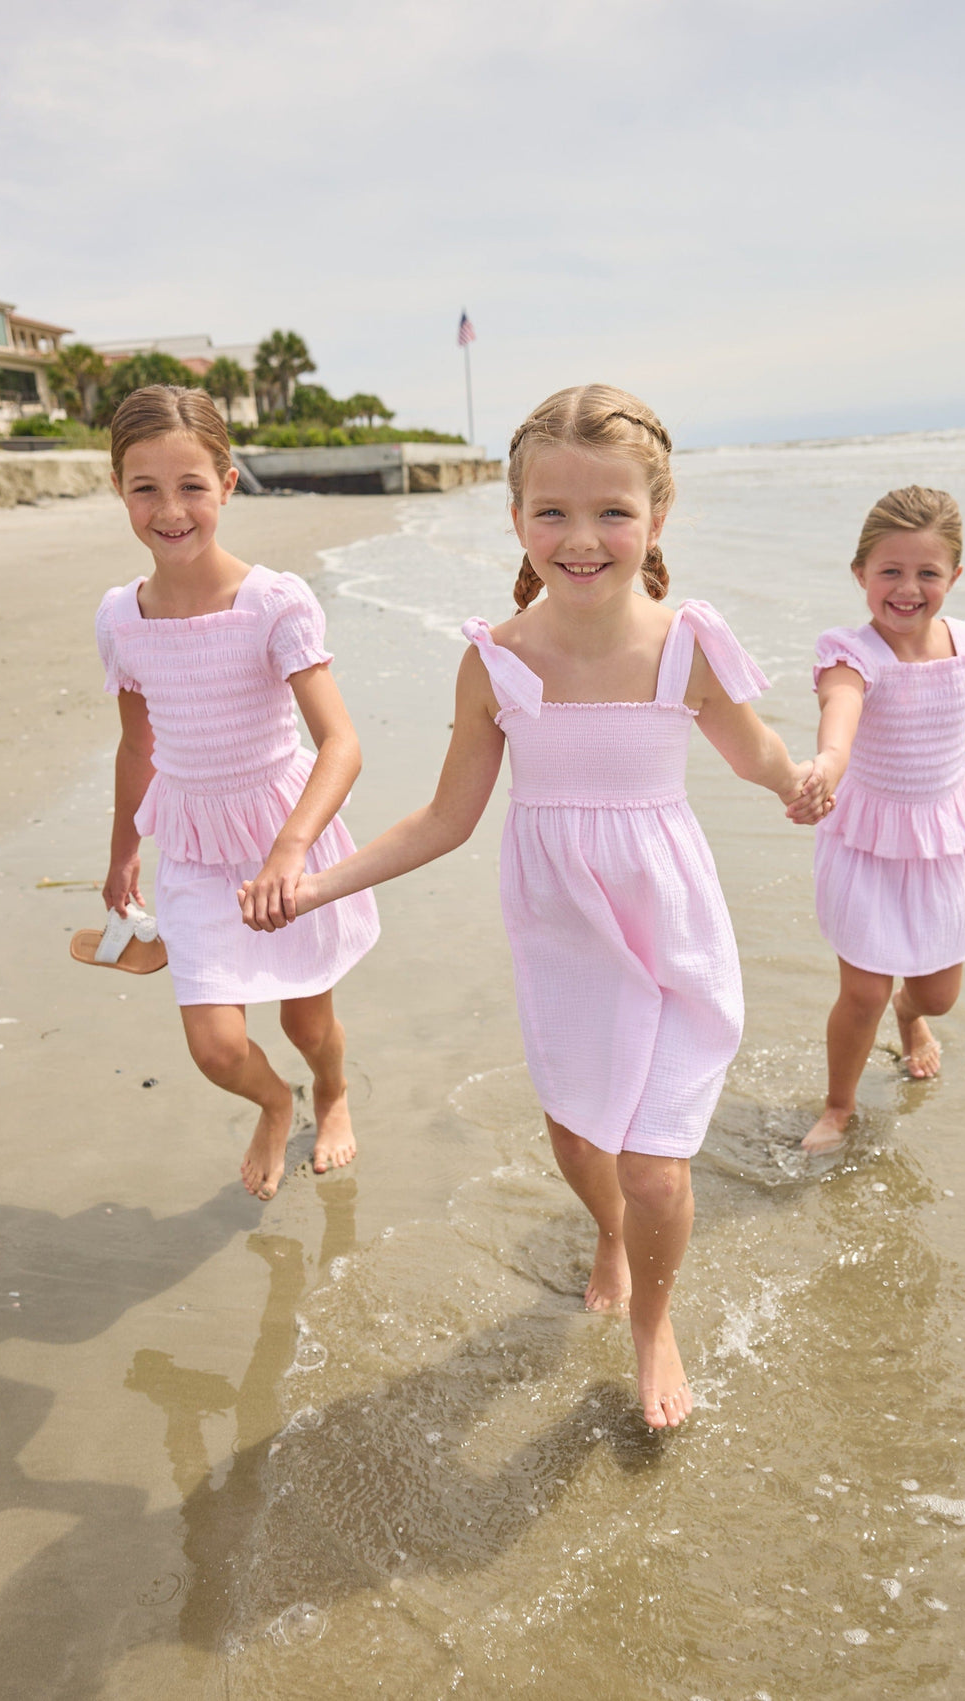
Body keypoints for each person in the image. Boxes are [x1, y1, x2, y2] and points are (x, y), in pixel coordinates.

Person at [240, 383, 831, 1426]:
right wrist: (313, 885)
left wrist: (802, 780)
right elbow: (443, 818)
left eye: (611, 512)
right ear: (515, 520)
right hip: (563, 935)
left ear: (656, 516)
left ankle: (653, 1320)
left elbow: (757, 753)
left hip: (669, 927)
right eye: (551, 512)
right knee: (577, 1141)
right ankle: (603, 1231)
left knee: (653, 1167)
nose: (581, 538)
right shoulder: (497, 662)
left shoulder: (686, 645)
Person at [96, 385, 379, 1201]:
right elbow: (138, 743)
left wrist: (291, 850)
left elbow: (342, 742)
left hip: (283, 831)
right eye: (145, 488)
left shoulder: (271, 603)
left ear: (227, 482)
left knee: (304, 1019)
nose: (170, 509)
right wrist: (122, 856)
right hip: (190, 842)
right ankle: (273, 1099)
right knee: (217, 1045)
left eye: (191, 486)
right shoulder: (121, 618)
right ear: (119, 489)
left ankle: (330, 1089)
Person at [801, 485, 965, 1154]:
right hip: (864, 837)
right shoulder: (852, 652)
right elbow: (841, 715)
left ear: (954, 576)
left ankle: (911, 1017)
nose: (907, 588)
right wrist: (827, 767)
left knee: (938, 993)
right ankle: (838, 1106)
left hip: (941, 837)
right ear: (860, 573)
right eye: (890, 570)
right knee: (862, 988)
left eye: (927, 572)